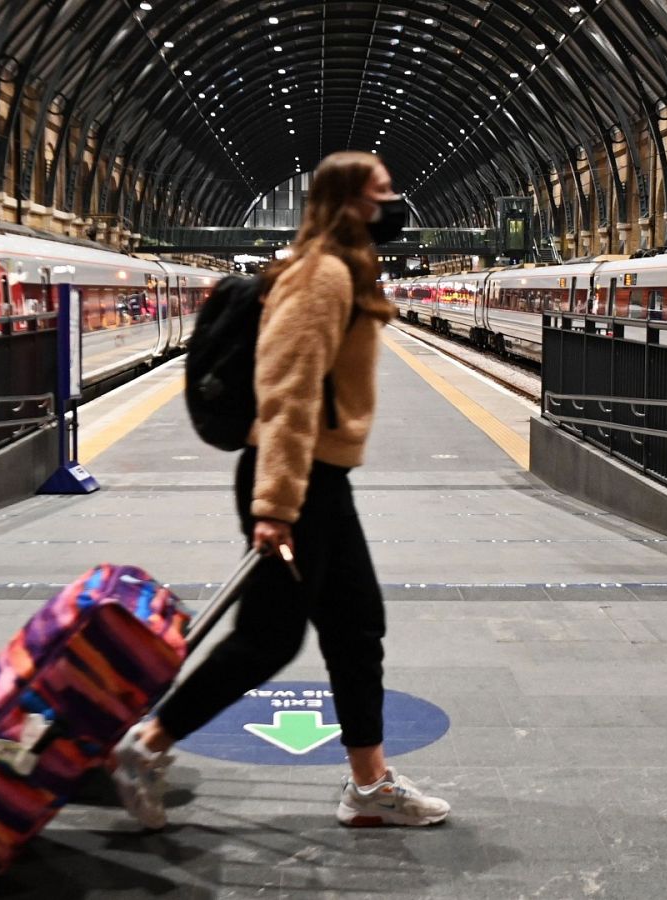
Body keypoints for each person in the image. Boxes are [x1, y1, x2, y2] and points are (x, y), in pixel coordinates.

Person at [113, 152, 451, 829]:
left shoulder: (345, 269)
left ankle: (368, 784)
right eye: (384, 192)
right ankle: (146, 745)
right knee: (267, 639)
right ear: (349, 201)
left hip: (320, 480)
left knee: (357, 629)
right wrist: (275, 507)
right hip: (296, 483)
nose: (395, 205)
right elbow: (289, 393)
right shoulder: (321, 276)